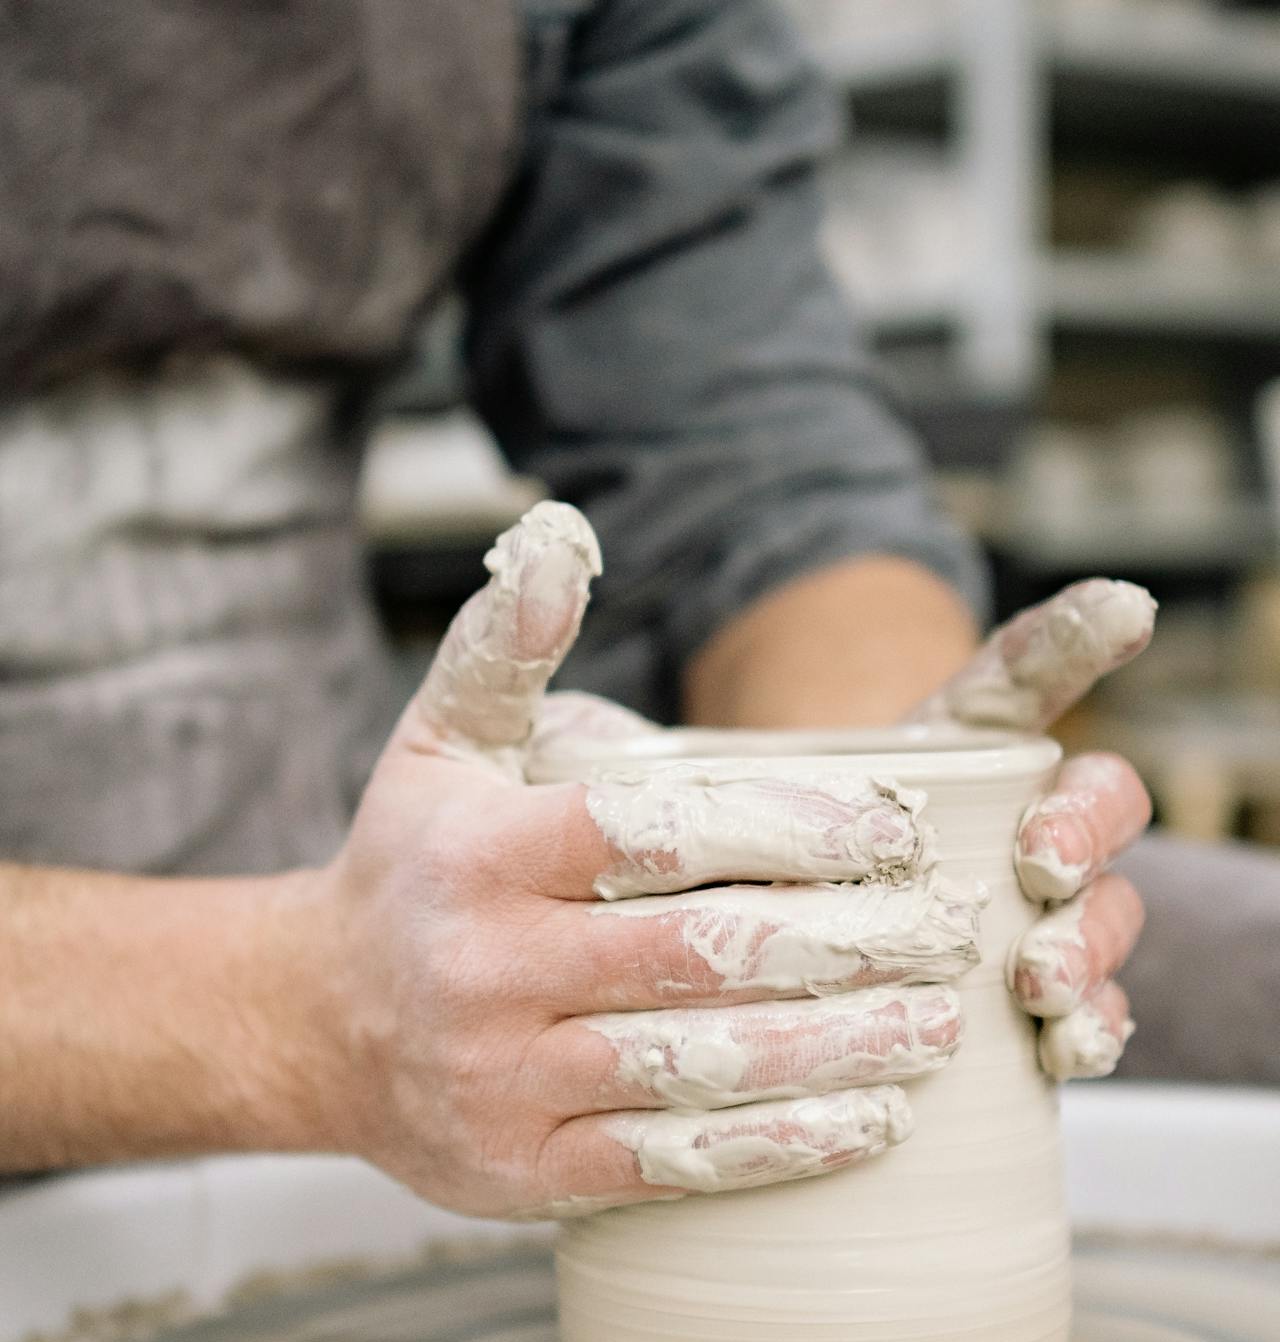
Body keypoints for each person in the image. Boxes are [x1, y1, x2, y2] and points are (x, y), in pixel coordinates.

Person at [0, 0, 1210, 1212]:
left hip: (344, 840)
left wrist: (878, 832)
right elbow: (332, 1007)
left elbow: (751, 465)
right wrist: (314, 1017)